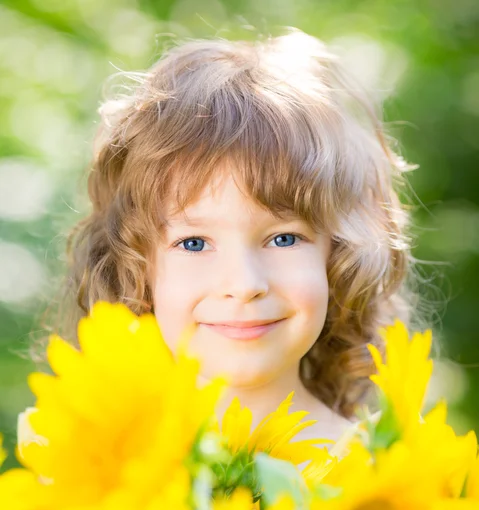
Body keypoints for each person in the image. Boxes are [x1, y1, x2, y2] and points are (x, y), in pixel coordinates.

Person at [34, 28, 425, 445]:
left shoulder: (386, 484)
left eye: (283, 238)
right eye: (194, 243)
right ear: (136, 266)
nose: (243, 286)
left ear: (339, 256)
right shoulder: (87, 475)